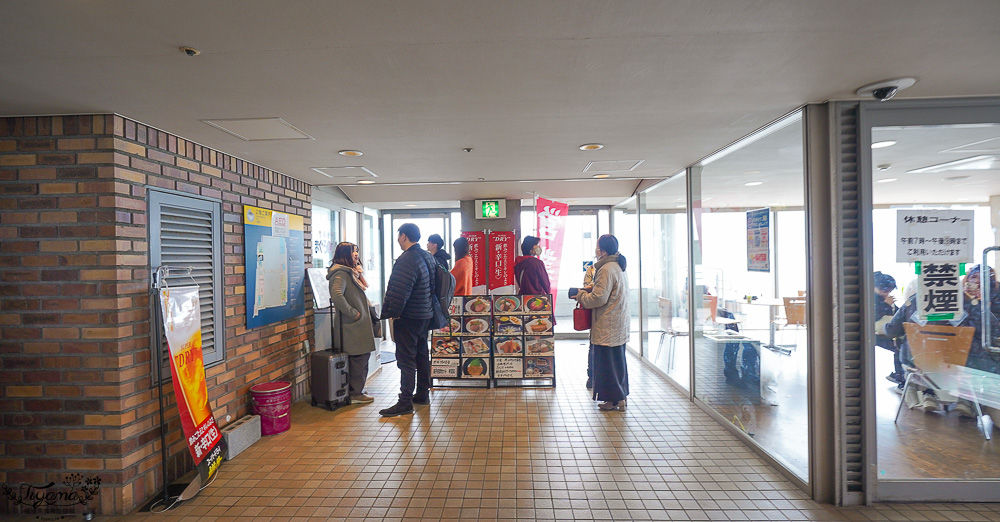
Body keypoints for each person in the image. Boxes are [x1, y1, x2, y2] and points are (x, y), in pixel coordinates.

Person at [379, 223, 435, 417]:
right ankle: (422, 394)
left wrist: (393, 312)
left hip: (409, 316)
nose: (398, 240)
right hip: (425, 315)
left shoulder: (407, 259)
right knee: (421, 355)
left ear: (403, 236)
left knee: (406, 359)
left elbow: (401, 290)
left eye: (399, 237)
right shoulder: (427, 256)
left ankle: (404, 402)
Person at [573, 234, 630, 411]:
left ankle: (612, 401)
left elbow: (598, 299)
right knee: (618, 363)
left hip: (607, 325)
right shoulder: (618, 266)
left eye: (597, 247)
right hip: (618, 324)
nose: (596, 250)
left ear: (603, 251)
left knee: (607, 365)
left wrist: (581, 294)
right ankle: (620, 399)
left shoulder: (605, 269)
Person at [327, 242, 376, 404]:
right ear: (344, 254)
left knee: (360, 357)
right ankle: (355, 393)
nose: (356, 254)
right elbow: (337, 296)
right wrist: (352, 313)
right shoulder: (340, 274)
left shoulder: (349, 272)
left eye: (357, 251)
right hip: (351, 325)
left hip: (356, 325)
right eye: (353, 251)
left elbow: (364, 287)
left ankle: (357, 390)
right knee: (358, 358)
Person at [873, 271, 903, 386]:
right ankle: (899, 376)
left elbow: (897, 313)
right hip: (877, 334)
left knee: (900, 347)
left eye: (889, 290)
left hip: (886, 331)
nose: (887, 293)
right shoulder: (871, 299)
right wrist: (886, 305)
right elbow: (871, 317)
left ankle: (899, 375)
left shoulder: (884, 299)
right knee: (899, 347)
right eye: (884, 290)